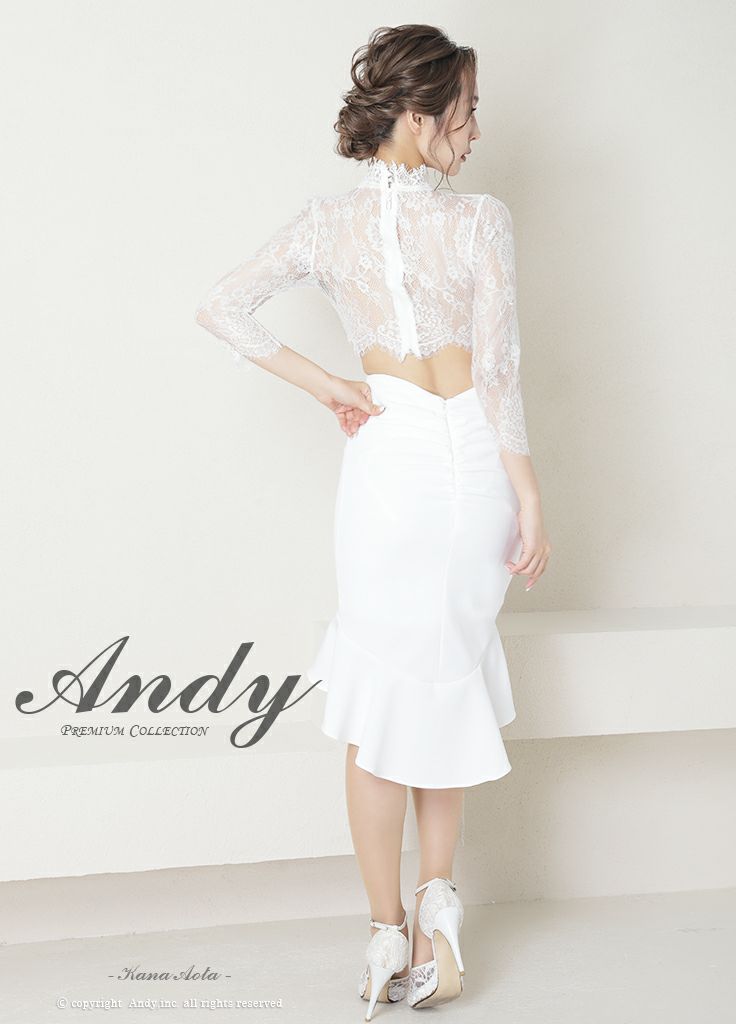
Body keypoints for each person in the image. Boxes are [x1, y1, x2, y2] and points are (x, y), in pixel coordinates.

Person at [194, 22, 551, 1018]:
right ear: (423, 113)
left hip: (390, 462)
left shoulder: (327, 223)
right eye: (466, 112)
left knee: (379, 696)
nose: (475, 133)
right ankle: (441, 915)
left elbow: (223, 306)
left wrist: (331, 387)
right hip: (475, 461)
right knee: (447, 677)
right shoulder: (481, 220)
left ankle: (385, 933)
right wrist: (528, 495)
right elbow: (499, 371)